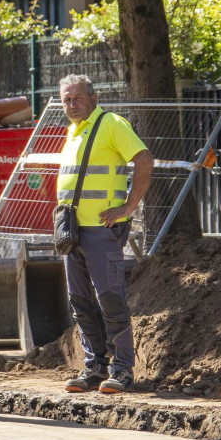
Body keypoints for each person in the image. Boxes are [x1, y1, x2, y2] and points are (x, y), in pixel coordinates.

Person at [56, 73, 154, 395]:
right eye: (67, 99)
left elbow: (143, 160)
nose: (72, 104)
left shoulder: (111, 124)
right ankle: (94, 367)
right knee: (80, 302)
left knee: (110, 299)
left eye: (78, 98)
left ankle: (122, 369)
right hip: (73, 233)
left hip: (101, 231)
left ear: (93, 99)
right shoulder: (72, 131)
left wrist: (128, 207)